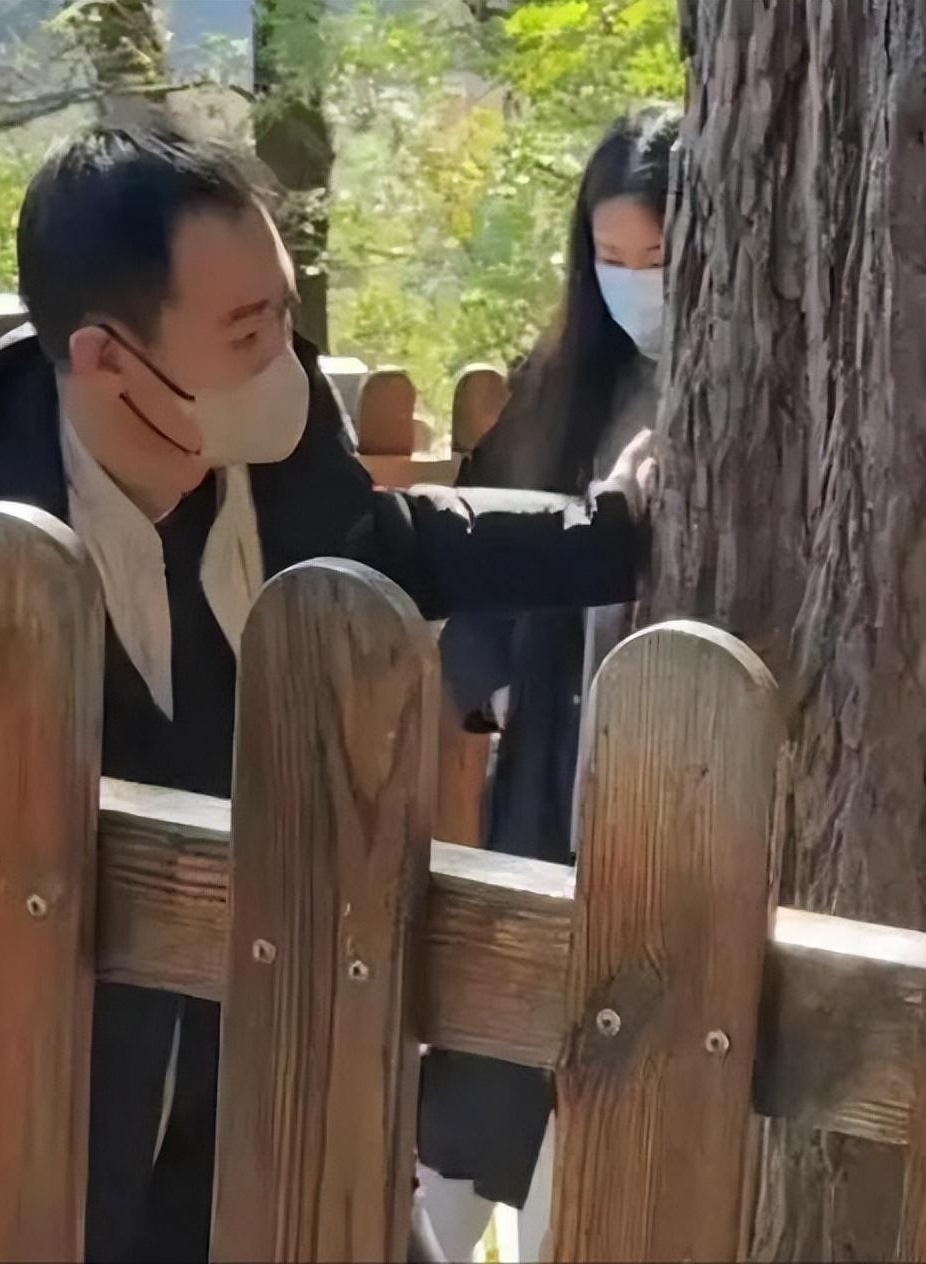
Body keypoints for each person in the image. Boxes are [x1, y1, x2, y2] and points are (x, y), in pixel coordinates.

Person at [0, 124, 655, 1264]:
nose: (281, 359)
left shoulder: (268, 445)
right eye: (246, 331)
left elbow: (378, 544)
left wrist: (609, 531)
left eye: (281, 313)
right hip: (21, 1163)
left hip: (249, 1112)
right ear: (106, 359)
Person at [417, 106, 681, 1259]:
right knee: (477, 1092)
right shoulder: (563, 382)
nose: (632, 287)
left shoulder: (750, 388)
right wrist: (497, 684)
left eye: (654, 259)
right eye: (609, 258)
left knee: (601, 1129)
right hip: (540, 788)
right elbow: (473, 555)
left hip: (666, 796)